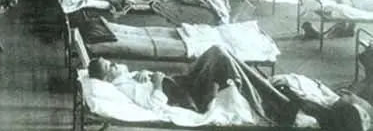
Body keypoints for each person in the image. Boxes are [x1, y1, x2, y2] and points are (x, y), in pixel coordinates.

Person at [87, 46, 319, 126]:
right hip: (188, 97)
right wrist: (156, 82)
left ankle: (272, 98)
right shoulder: (123, 87)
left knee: (218, 52)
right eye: (110, 66)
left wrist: (144, 74)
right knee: (222, 60)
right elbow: (153, 104)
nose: (115, 64)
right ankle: (282, 109)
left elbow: (138, 81)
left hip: (182, 84)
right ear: (106, 78)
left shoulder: (124, 78)